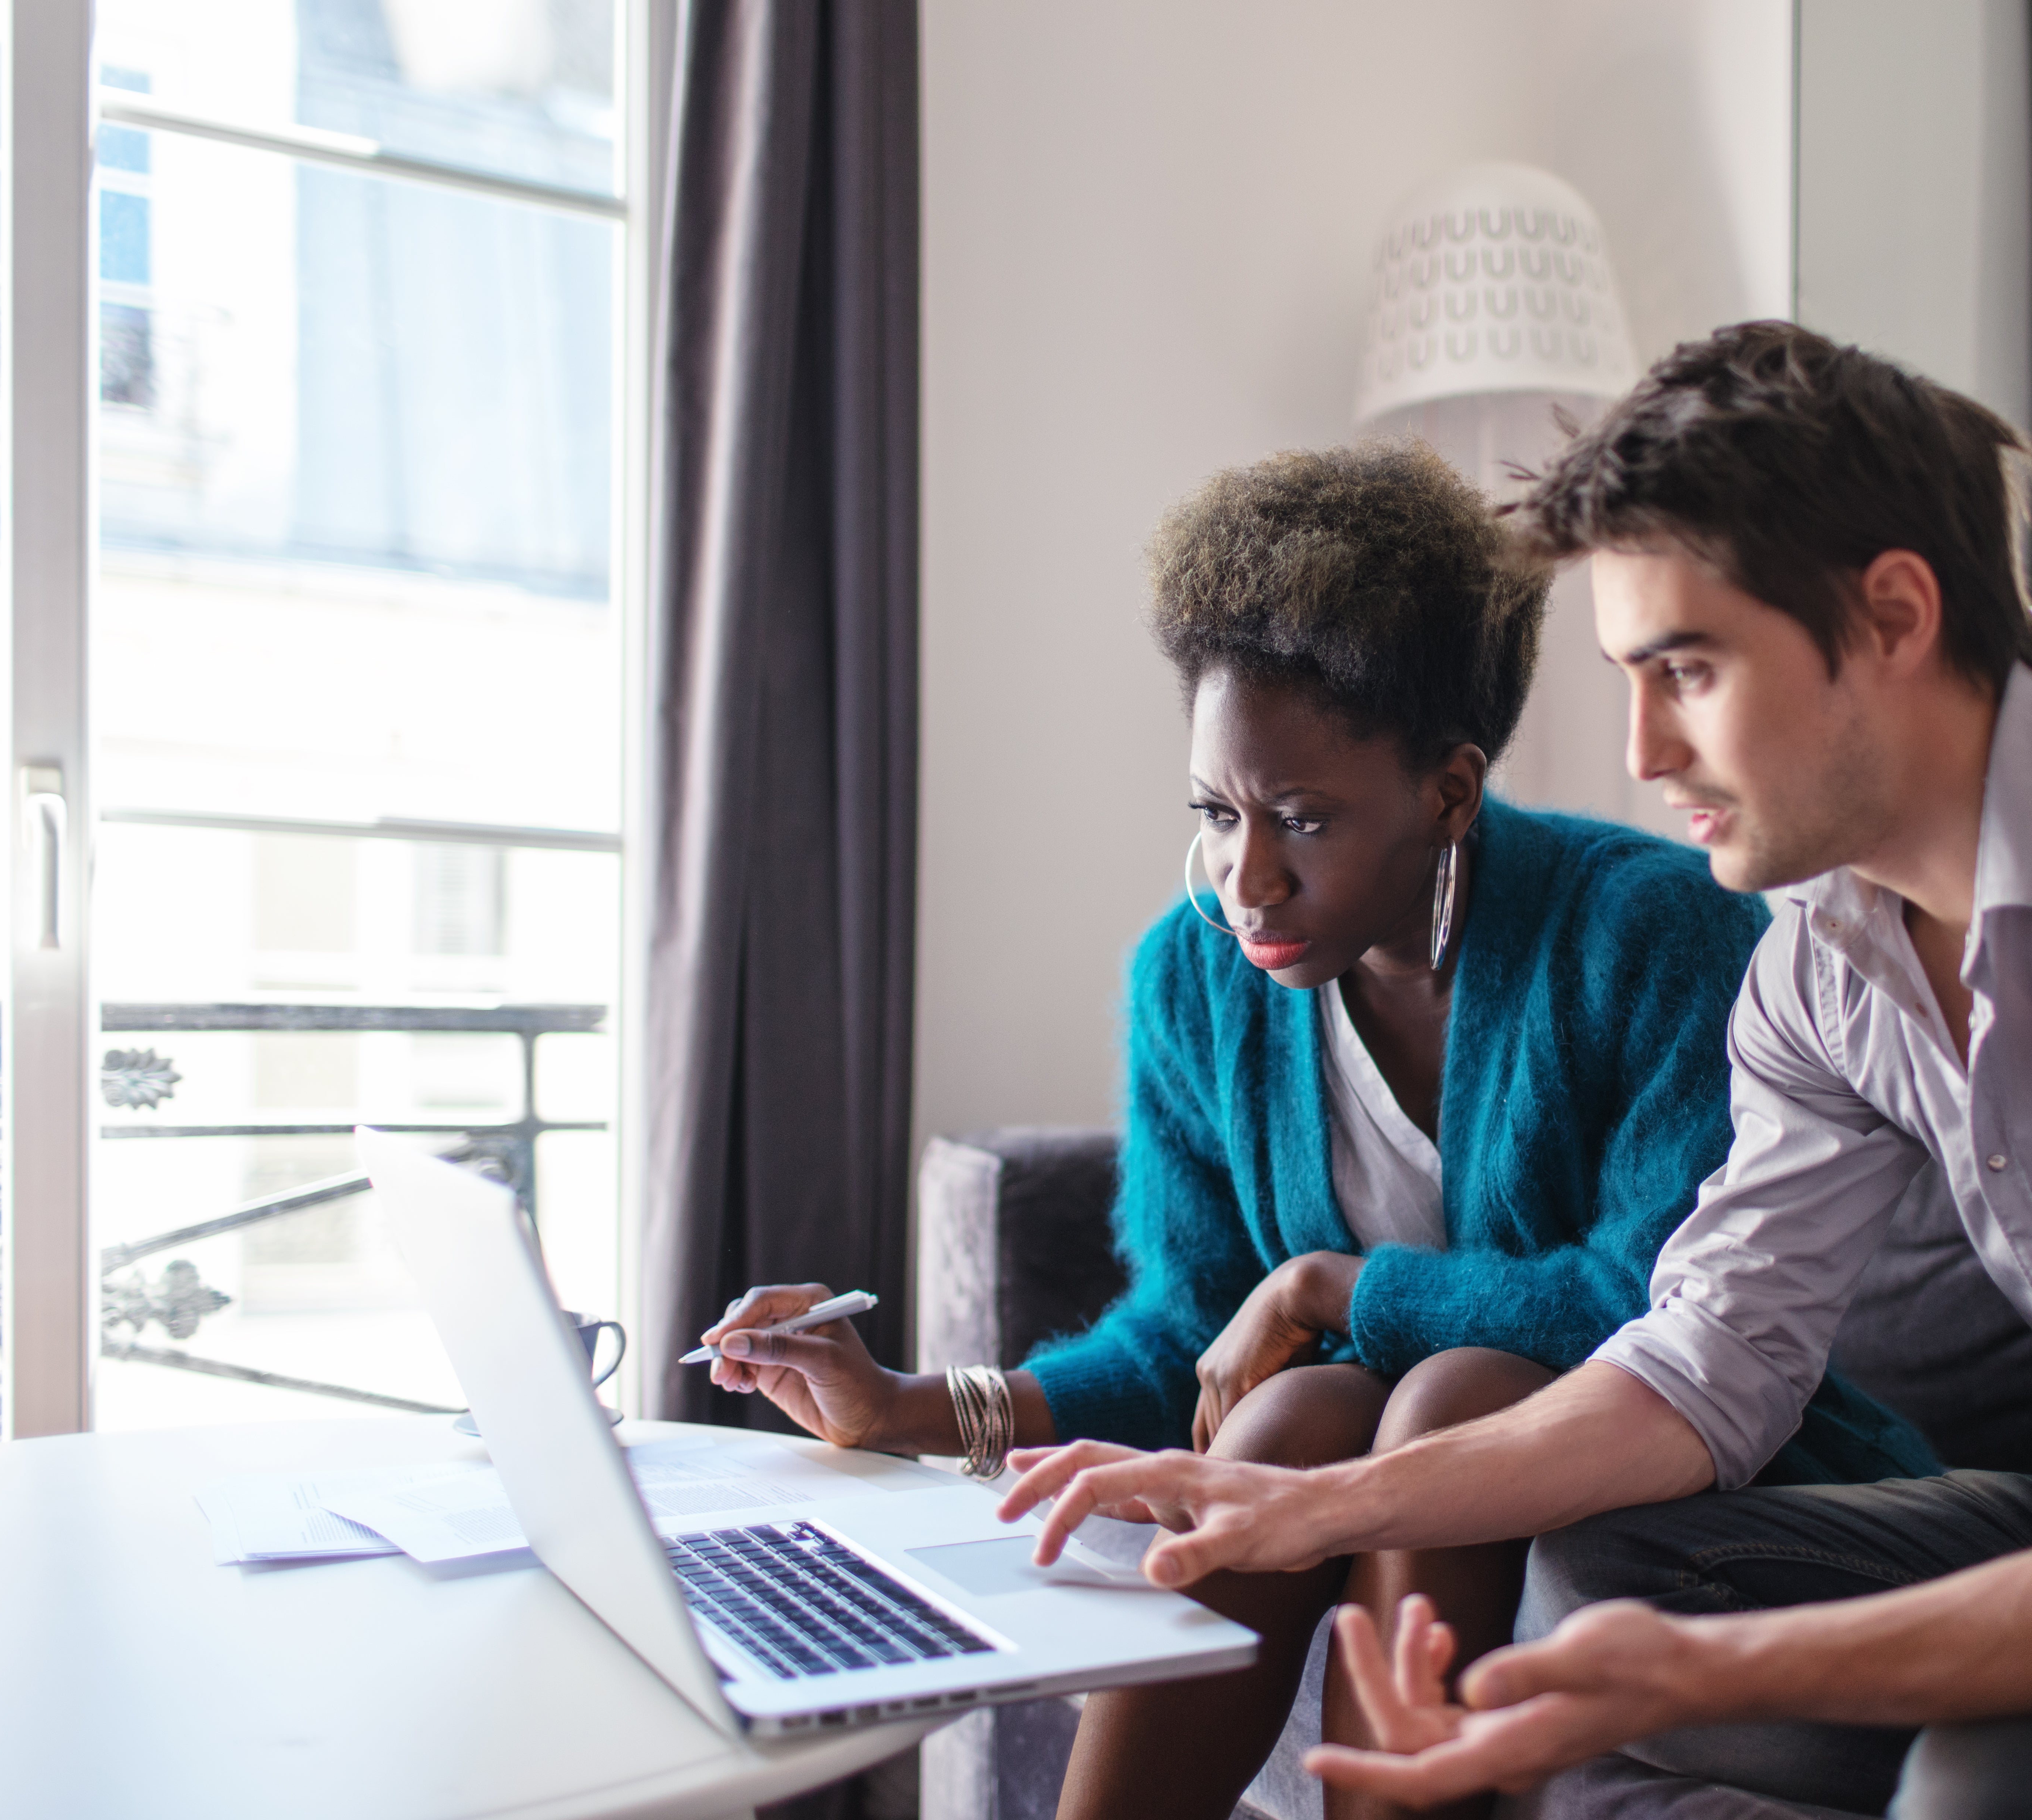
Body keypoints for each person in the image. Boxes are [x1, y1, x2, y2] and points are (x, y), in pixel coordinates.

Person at [998, 324, 2032, 1819]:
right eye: (1629, 682)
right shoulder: (1827, 950)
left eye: (1687, 672)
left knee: (1982, 1776)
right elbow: (1707, 1363)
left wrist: (1700, 1682)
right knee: (1600, 1573)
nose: (1645, 755)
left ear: (1889, 614)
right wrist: (1305, 1500)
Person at [697, 439, 1937, 1820]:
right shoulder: (1193, 975)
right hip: (1355, 1451)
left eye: (1303, 819)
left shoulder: (1654, 932)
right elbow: (1198, 1341)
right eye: (1216, 814)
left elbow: (1653, 1306)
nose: (1248, 879)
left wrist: (1330, 1285)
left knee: (1450, 1383)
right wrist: (904, 1409)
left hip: (1683, 1476)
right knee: (1298, 1404)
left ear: (1451, 793)